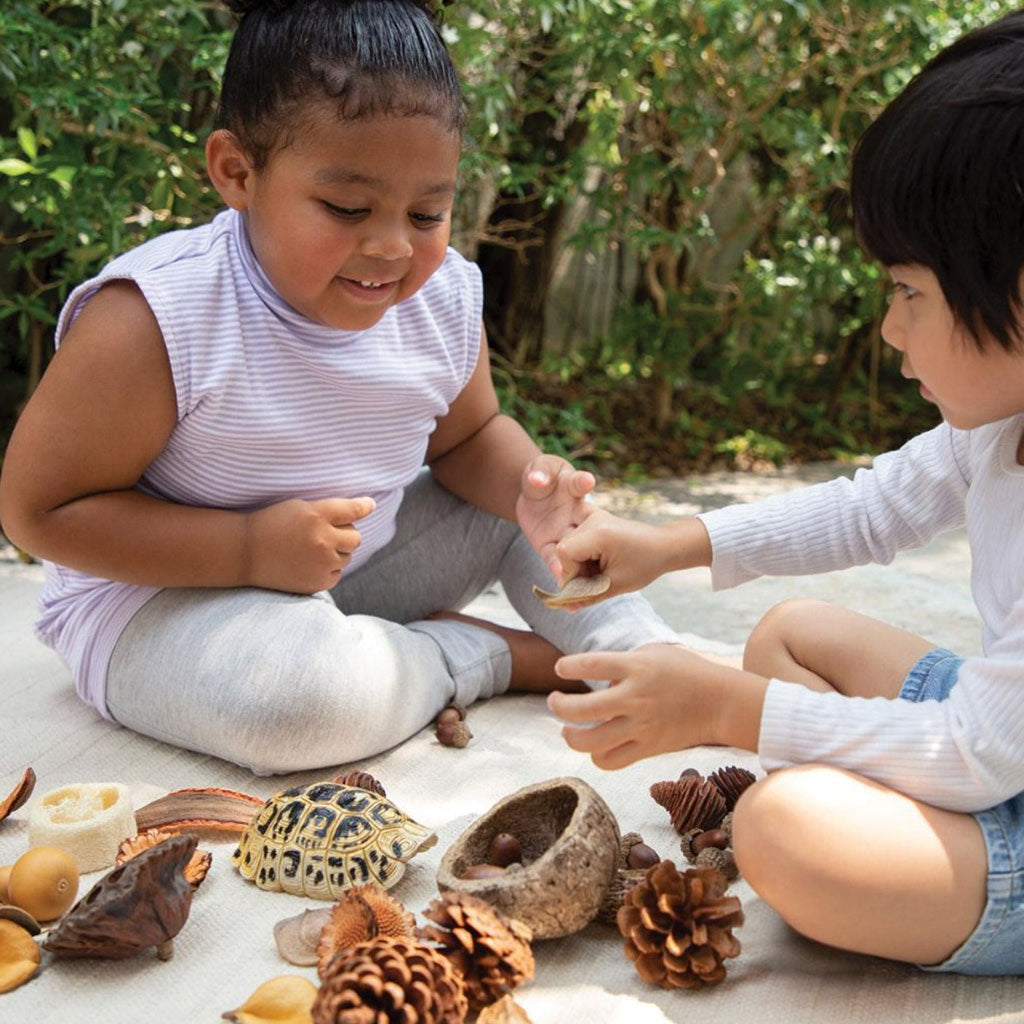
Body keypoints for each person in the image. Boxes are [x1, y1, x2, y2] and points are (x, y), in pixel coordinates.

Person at [0, 0, 682, 774]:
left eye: (428, 212)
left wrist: (536, 492)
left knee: (527, 517)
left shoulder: (441, 296)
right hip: (160, 604)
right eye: (347, 207)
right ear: (237, 172)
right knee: (297, 705)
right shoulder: (160, 318)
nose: (393, 246)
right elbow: (38, 511)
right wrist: (249, 548)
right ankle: (480, 653)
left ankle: (647, 659)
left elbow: (466, 442)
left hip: (350, 570)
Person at [546, 10, 1024, 976]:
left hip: (997, 769)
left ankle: (890, 845)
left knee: (784, 831)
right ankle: (887, 816)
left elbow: (982, 755)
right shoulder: (996, 428)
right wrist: (667, 544)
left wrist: (733, 711)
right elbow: (866, 508)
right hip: (1003, 743)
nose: (889, 329)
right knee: (790, 634)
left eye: (907, 291)